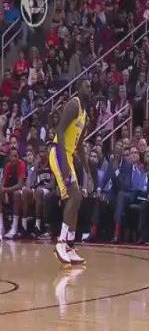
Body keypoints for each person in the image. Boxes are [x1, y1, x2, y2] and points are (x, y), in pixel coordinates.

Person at [49, 79, 92, 266]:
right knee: (74, 195)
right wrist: (65, 164)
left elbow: (80, 145)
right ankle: (60, 242)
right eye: (86, 86)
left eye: (90, 87)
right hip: (59, 153)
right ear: (78, 88)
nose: (89, 89)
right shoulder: (74, 104)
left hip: (68, 156)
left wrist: (88, 172)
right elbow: (59, 129)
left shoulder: (85, 114)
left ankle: (70, 246)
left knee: (77, 199)